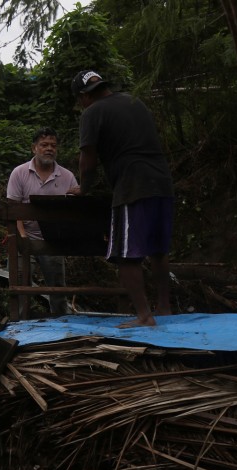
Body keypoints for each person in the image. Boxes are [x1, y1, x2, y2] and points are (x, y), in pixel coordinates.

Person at [69, 69, 175, 328]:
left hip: (132, 185)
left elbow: (88, 160)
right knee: (158, 250)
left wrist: (84, 188)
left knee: (126, 255)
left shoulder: (92, 112)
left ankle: (144, 316)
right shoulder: (134, 101)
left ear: (83, 96)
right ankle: (164, 308)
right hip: (161, 182)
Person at [7, 127, 79, 316]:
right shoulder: (19, 173)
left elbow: (74, 210)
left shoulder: (67, 176)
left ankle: (61, 323)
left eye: (53, 146)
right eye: (44, 145)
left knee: (57, 287)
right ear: (34, 148)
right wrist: (22, 238)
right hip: (25, 234)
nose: (49, 149)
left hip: (54, 239)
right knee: (20, 282)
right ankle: (19, 322)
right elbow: (13, 209)